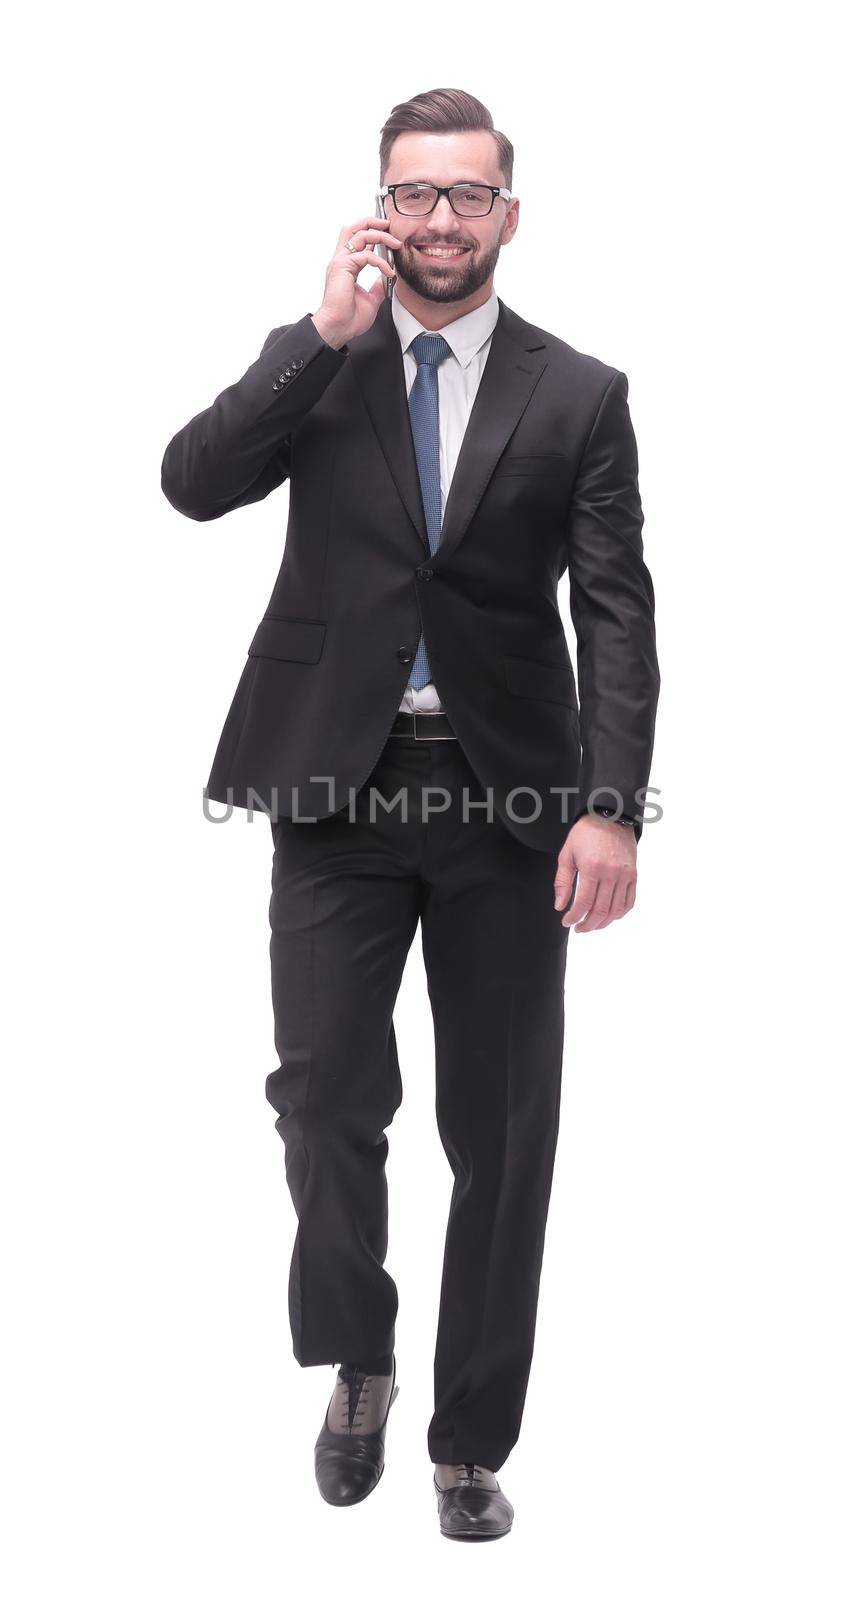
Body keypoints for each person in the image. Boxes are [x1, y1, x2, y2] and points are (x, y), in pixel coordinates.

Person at [160, 86, 660, 1541]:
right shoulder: (322, 365)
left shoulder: (579, 394)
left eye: (468, 194)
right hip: (335, 785)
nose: (441, 219)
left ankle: (467, 1438)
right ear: (380, 207)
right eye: (415, 193)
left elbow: (614, 619)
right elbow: (191, 486)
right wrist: (314, 339)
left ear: (509, 212)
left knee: (502, 1132)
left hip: (514, 804)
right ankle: (361, 1358)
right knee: (322, 1100)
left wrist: (609, 808)